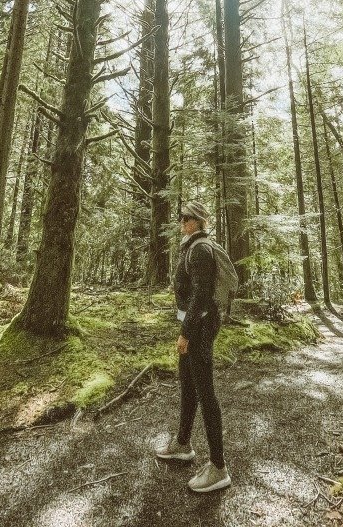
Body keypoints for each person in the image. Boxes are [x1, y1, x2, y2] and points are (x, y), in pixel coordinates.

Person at [154, 199, 231, 493]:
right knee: (188, 384)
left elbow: (201, 295)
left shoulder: (200, 249)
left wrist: (185, 334)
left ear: (197, 221)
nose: (181, 221)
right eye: (181, 216)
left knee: (206, 392)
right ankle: (183, 443)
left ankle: (219, 467)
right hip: (193, 323)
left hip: (199, 327)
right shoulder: (192, 246)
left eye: (186, 217)